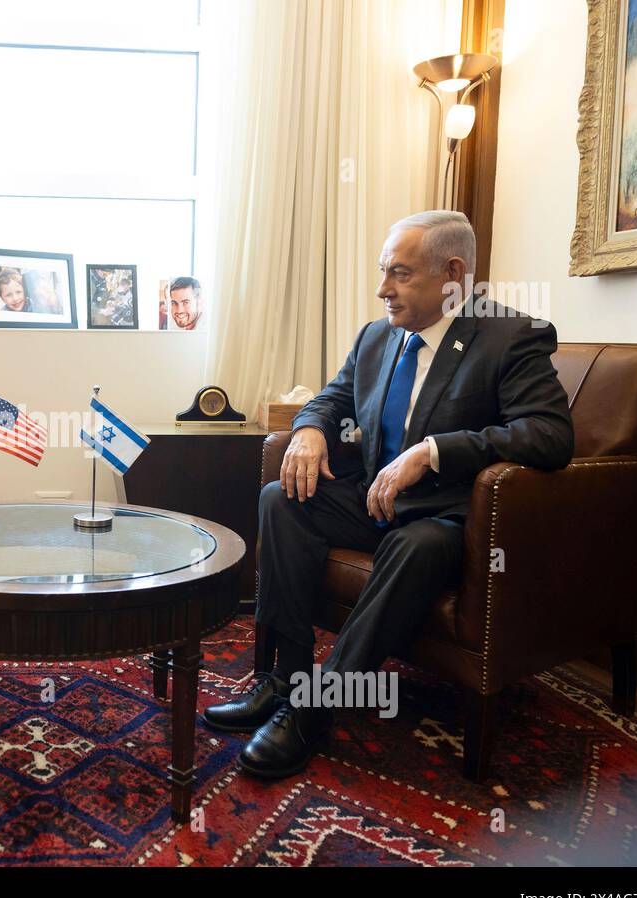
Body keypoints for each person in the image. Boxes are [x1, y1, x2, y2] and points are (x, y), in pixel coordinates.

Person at [202, 210, 574, 779]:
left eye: (399, 274)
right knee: (281, 497)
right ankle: (284, 679)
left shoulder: (510, 337)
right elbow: (331, 399)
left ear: (453, 273)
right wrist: (307, 431)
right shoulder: (378, 337)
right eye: (383, 272)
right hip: (377, 500)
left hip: (451, 519)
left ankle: (314, 707)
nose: (383, 290)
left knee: (416, 546)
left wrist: (433, 450)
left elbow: (549, 436)